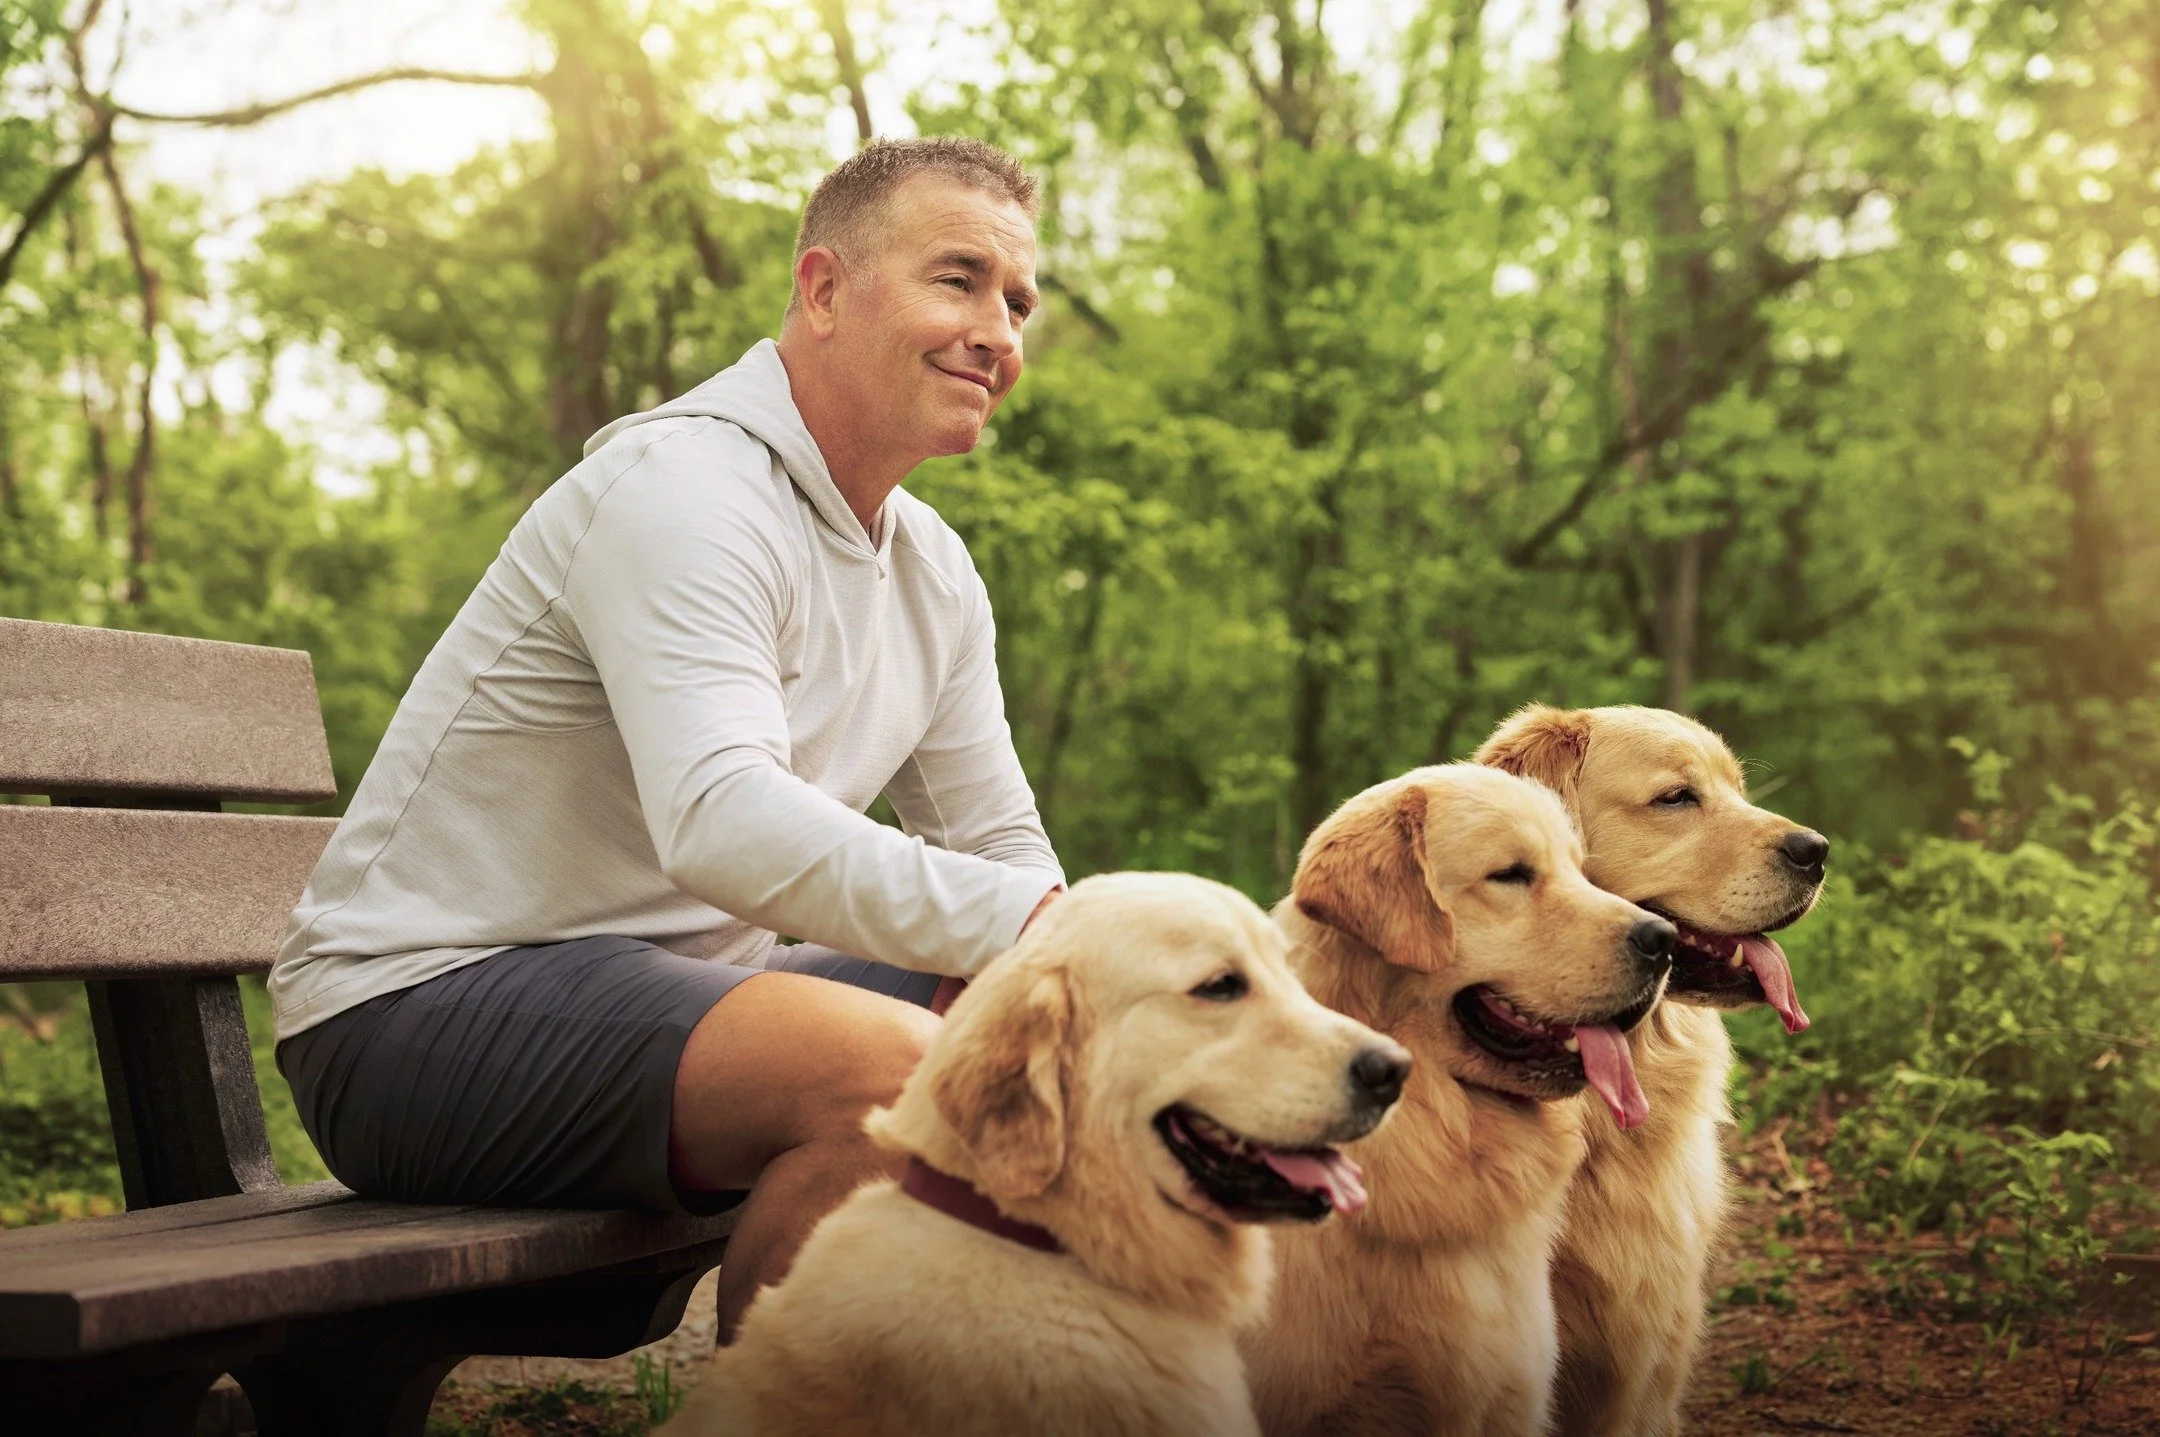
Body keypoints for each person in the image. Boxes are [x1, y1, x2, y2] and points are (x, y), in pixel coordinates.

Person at [270, 137, 1063, 1338]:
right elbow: (721, 820)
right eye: (958, 279)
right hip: (410, 1015)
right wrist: (1042, 926)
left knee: (1041, 1016)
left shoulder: (932, 575)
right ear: (825, 290)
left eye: (1016, 301)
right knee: (902, 1073)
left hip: (671, 996)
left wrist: (1088, 960)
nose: (998, 331)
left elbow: (1001, 840)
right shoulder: (686, 485)